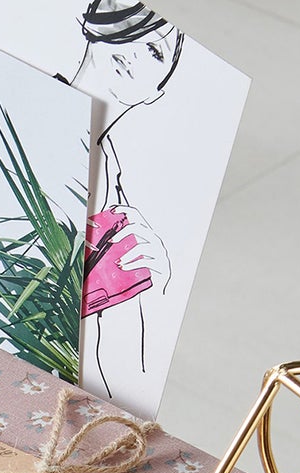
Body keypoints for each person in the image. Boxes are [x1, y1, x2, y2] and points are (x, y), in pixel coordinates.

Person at [71, 1, 185, 397]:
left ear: (157, 92)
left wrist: (161, 282)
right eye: (129, 24)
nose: (133, 48)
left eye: (155, 52)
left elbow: (114, 356)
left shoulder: (110, 175)